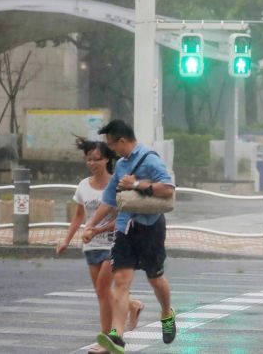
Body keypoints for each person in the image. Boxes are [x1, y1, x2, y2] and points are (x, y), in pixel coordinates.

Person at [84, 119, 176, 354]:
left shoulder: (150, 158)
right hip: (124, 228)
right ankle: (116, 337)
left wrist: (136, 184)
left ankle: (167, 312)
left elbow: (168, 188)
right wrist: (91, 225)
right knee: (121, 282)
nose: (112, 150)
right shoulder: (122, 164)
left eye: (113, 145)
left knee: (155, 279)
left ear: (122, 141)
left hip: (150, 227)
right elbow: (109, 199)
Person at [56, 137, 145, 354]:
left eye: (97, 159)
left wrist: (97, 229)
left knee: (102, 288)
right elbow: (79, 216)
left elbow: (123, 217)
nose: (93, 163)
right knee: (102, 293)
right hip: (91, 245)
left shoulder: (117, 184)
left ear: (107, 159)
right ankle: (132, 304)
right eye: (89, 159)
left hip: (115, 243)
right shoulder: (83, 186)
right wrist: (66, 240)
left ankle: (106, 339)